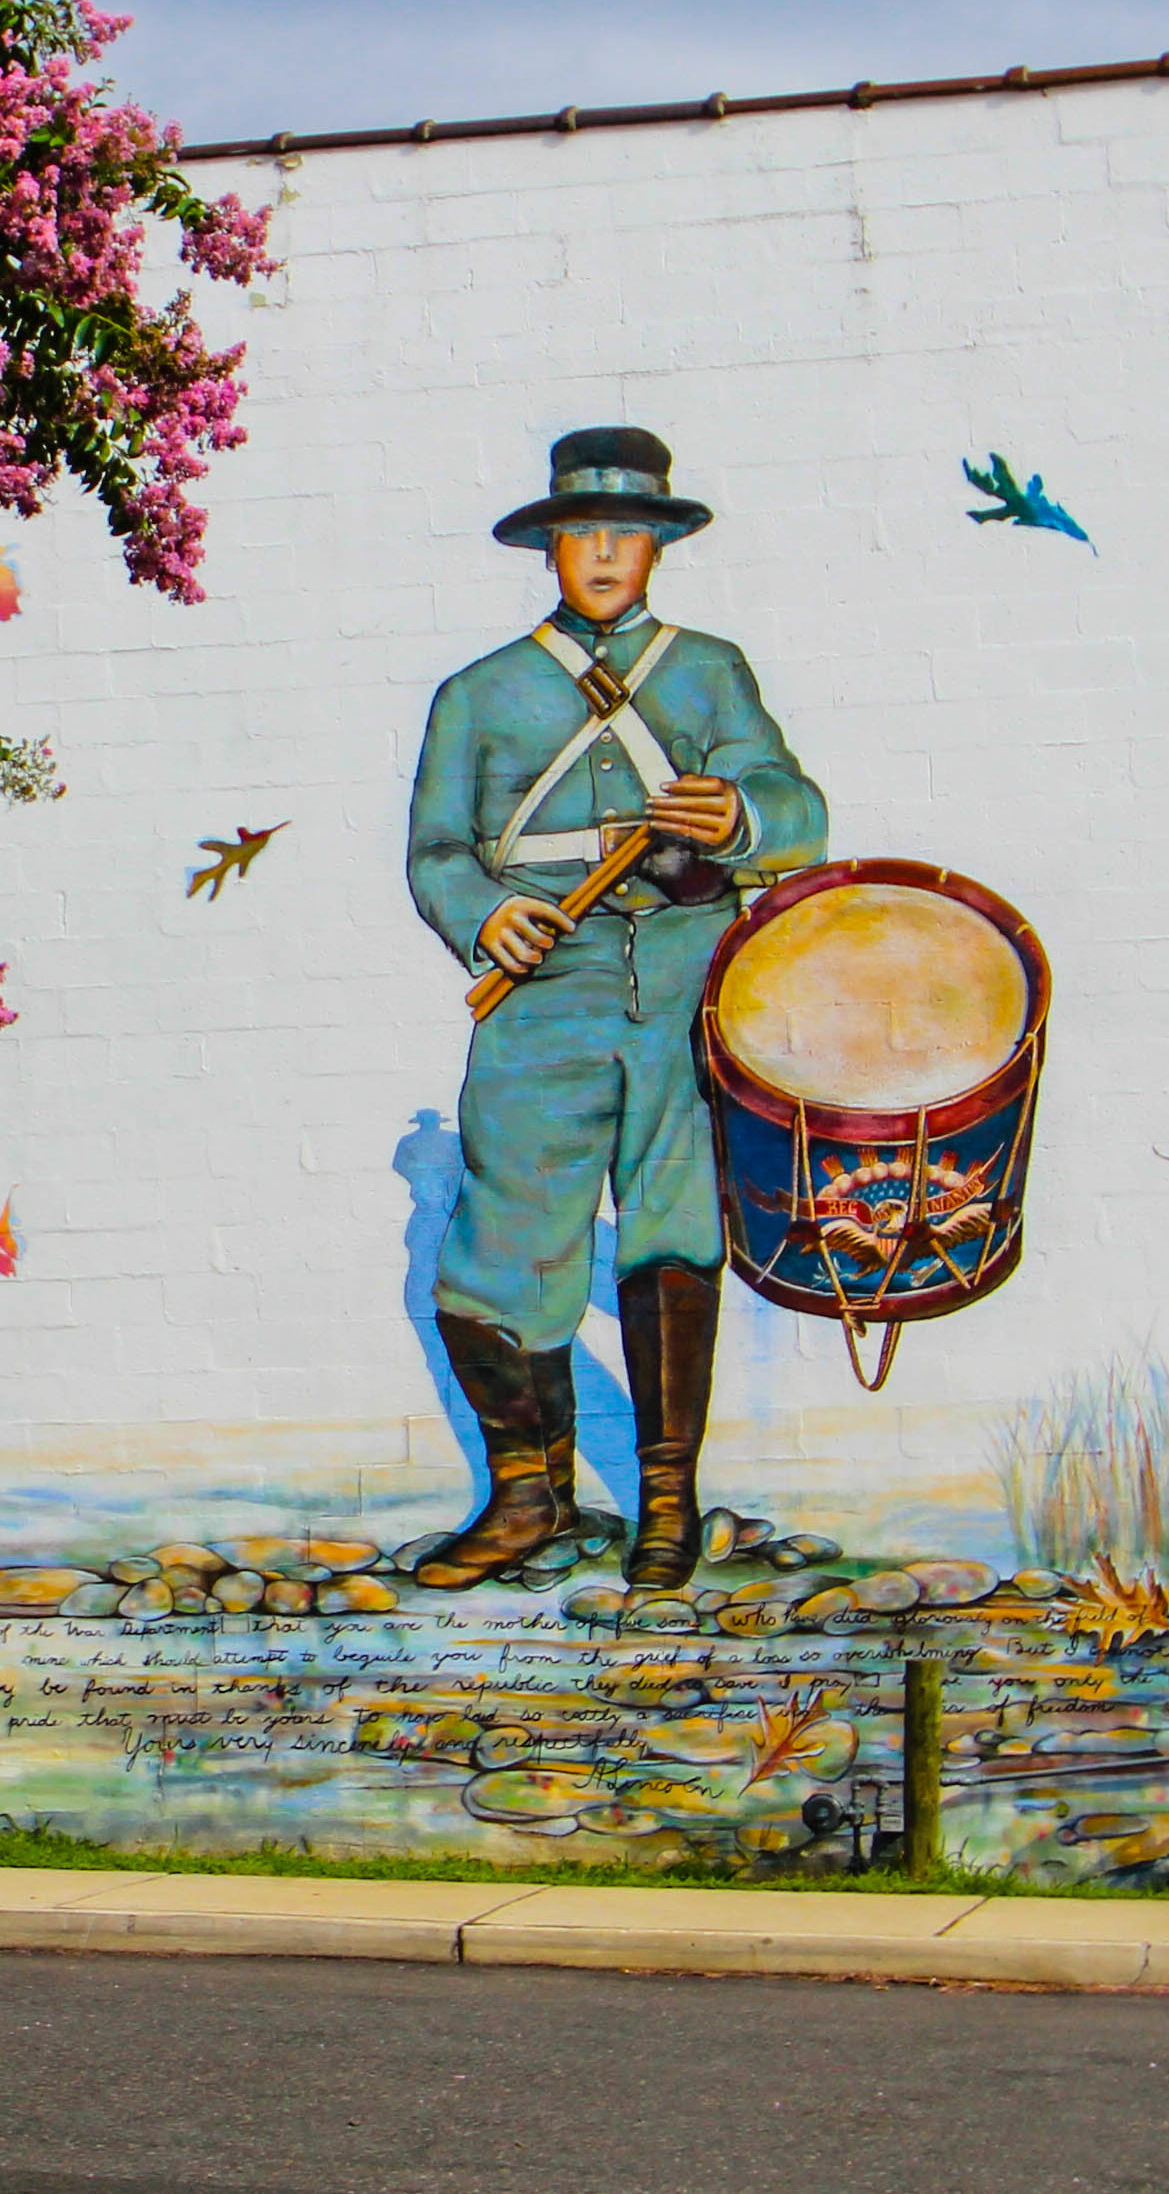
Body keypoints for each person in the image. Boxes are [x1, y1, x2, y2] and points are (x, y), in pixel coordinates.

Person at [401, 428, 824, 1591]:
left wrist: (735, 812)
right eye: (582, 534)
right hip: (544, 988)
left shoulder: (709, 672)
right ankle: (527, 1495)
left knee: (676, 1232)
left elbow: (797, 809)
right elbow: (437, 850)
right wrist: (487, 916)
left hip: (687, 979)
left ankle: (668, 1503)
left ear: (656, 547)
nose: (602, 555)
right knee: (502, 1242)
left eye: (625, 534)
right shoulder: (480, 693)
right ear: (550, 549)